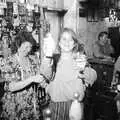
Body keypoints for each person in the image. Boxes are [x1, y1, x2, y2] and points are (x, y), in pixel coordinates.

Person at [43, 28, 97, 120]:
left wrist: (84, 69)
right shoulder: (54, 59)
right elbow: (45, 74)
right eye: (64, 39)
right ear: (59, 42)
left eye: (70, 39)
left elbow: (93, 76)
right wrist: (48, 88)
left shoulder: (80, 59)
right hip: (57, 106)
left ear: (74, 43)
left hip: (76, 106)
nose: (67, 42)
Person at [0, 31, 50, 120]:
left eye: (30, 47)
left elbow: (38, 78)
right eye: (25, 47)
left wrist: (43, 83)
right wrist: (32, 79)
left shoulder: (33, 59)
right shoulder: (8, 62)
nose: (28, 50)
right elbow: (11, 87)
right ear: (18, 45)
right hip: (14, 106)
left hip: (32, 104)